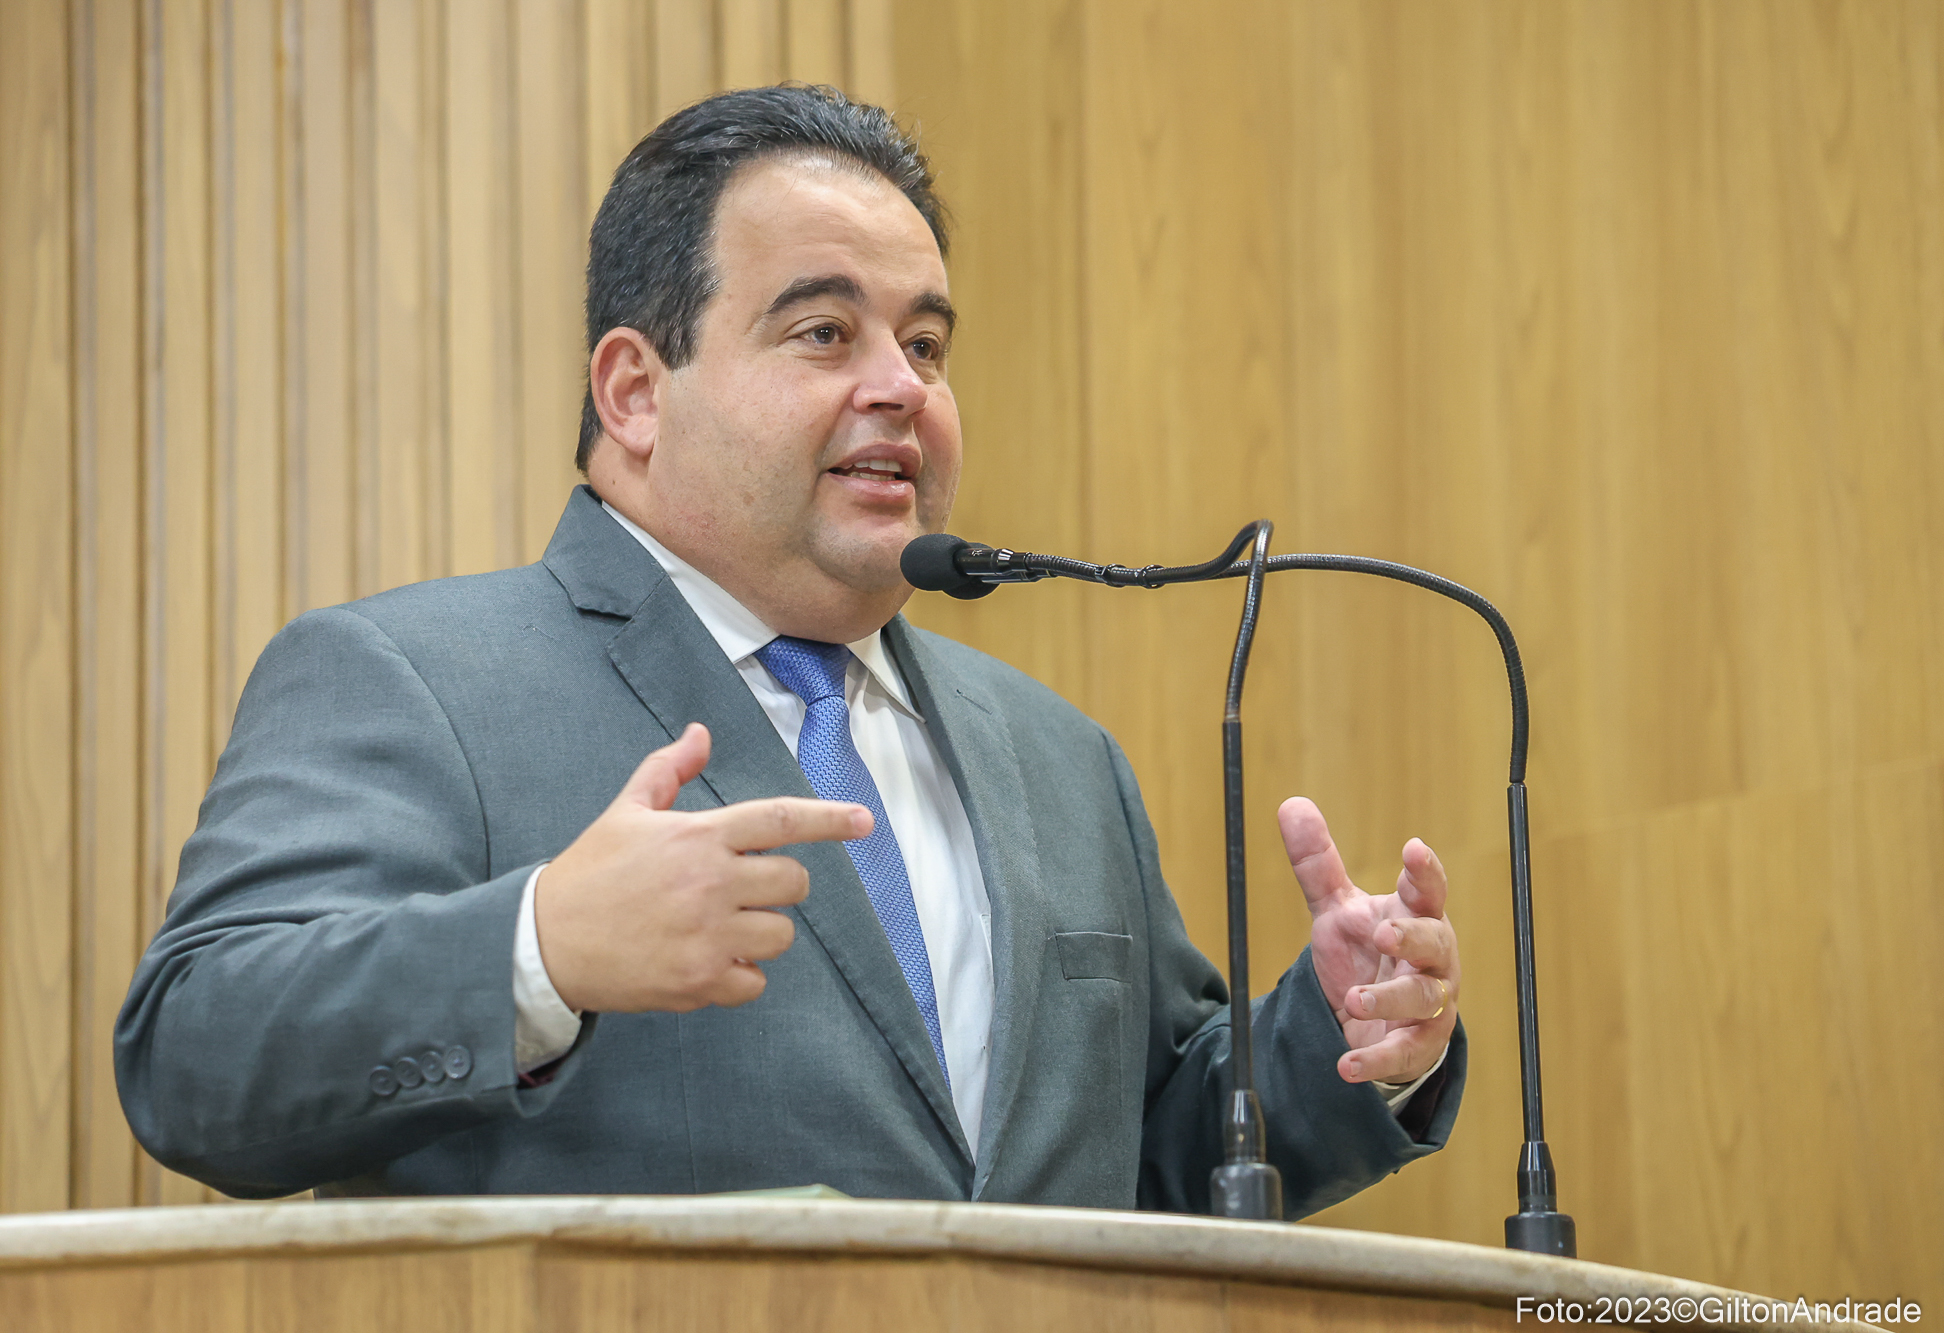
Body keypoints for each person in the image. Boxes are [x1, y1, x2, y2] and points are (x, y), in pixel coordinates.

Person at [115, 85, 1465, 1215]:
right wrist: (539, 952)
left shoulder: (1060, 756)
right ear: (635, 392)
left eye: (926, 343)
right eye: (824, 332)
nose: (902, 387)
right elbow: (193, 1056)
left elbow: (1152, 1154)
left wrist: (1342, 1044)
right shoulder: (413, 679)